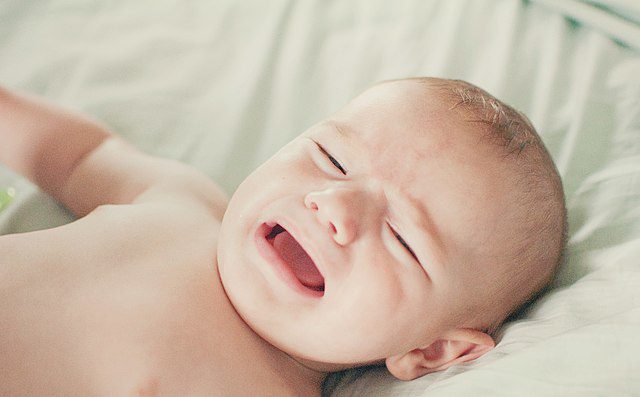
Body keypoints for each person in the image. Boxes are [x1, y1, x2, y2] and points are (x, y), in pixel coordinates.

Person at [0, 77, 566, 396]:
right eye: (331, 158)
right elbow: (82, 157)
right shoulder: (186, 206)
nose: (334, 207)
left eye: (401, 238)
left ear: (432, 350)